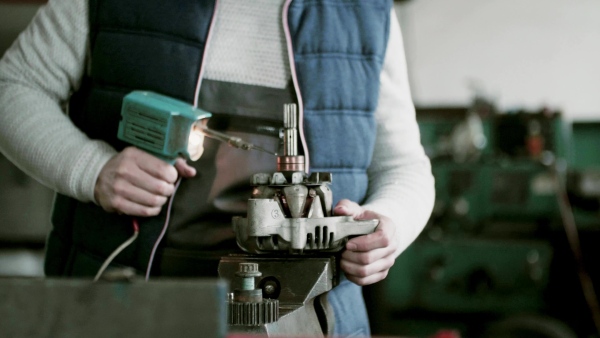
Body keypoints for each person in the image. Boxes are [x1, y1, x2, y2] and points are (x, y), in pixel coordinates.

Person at [0, 0, 435, 336]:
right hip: (124, 306)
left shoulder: (366, 12)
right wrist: (91, 169)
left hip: (312, 319)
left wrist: (388, 226)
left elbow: (403, 165)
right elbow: (12, 87)